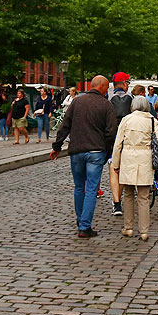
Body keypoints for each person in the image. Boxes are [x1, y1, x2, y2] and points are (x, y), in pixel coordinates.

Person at [50, 75, 118, 238]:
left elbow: (64, 125)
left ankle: (81, 221)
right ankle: (85, 226)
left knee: (79, 187)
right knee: (92, 188)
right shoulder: (106, 105)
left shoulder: (77, 102)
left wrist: (56, 147)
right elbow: (111, 132)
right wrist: (107, 151)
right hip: (96, 151)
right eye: (107, 87)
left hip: (77, 150)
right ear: (101, 87)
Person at [111, 96, 158, 241]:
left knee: (128, 195)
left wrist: (115, 164)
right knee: (143, 197)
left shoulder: (126, 119)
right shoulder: (152, 120)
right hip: (145, 158)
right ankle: (144, 231)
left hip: (128, 157)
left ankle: (128, 228)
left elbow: (118, 144)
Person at [108, 73, 132, 216]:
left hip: (112, 138)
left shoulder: (108, 99)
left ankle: (116, 203)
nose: (128, 84)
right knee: (122, 170)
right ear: (123, 84)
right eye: (127, 82)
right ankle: (118, 200)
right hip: (127, 139)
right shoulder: (131, 99)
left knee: (113, 169)